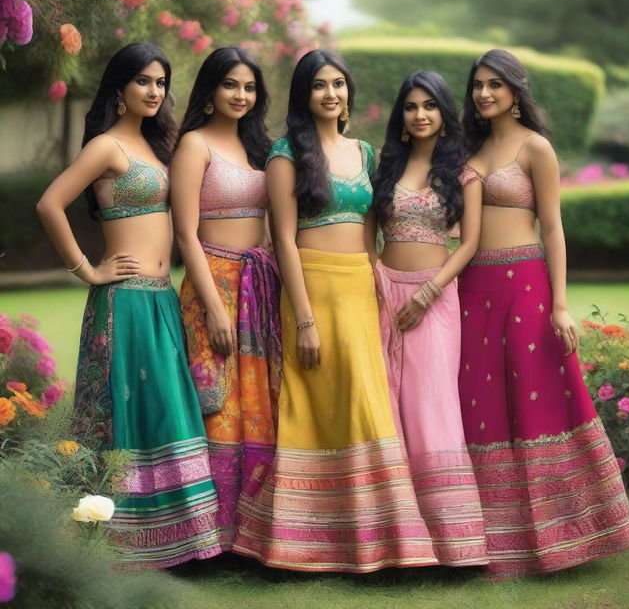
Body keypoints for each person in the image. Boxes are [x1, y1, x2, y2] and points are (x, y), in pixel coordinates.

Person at [234, 50, 438, 572]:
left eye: (339, 84)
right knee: (314, 405)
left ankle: (380, 540)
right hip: (312, 288)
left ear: (348, 92)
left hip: (359, 286)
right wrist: (303, 317)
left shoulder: (365, 153)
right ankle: (303, 543)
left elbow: (372, 225)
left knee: (366, 402)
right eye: (320, 85)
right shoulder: (286, 154)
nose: (332, 94)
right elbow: (282, 237)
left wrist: (375, 274)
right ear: (304, 94)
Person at [36, 43, 221, 569]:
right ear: (119, 89)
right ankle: (118, 543)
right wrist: (87, 270)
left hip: (161, 300)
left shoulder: (158, 147)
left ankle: (180, 541)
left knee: (169, 410)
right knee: (126, 417)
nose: (155, 91)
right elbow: (50, 203)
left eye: (161, 82)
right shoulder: (106, 147)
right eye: (143, 80)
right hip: (124, 304)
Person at [458, 48, 629, 577]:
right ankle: (487, 539)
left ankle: (566, 535)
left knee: (536, 399)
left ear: (516, 89)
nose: (484, 94)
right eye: (477, 85)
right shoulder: (471, 147)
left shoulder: (536, 148)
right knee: (479, 400)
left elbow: (553, 227)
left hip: (525, 287)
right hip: (473, 288)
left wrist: (560, 303)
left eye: (494, 84)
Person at [372, 71, 487, 566]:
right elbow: (367, 231)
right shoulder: (385, 166)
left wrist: (429, 293)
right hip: (381, 291)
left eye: (430, 106)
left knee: (430, 407)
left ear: (444, 114)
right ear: (401, 116)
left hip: (434, 299)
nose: (420, 115)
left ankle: (453, 543)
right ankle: (397, 539)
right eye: (411, 106)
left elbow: (472, 243)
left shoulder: (463, 172)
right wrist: (374, 279)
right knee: (387, 408)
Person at [171, 46, 280, 551]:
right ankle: (210, 534)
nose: (241, 95)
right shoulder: (194, 145)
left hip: (259, 285)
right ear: (211, 90)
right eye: (231, 84)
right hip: (209, 285)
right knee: (216, 402)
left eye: (249, 87)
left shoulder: (262, 149)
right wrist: (214, 305)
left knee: (261, 402)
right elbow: (185, 232)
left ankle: (254, 532)